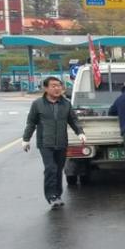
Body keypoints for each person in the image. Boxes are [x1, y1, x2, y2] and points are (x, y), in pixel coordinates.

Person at [22, 76, 87, 208]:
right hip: (45, 143)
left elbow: (73, 120)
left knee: (58, 170)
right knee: (50, 168)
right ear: (46, 88)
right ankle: (51, 195)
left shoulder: (66, 103)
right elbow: (31, 123)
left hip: (62, 142)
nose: (57, 88)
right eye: (53, 86)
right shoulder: (37, 104)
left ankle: (57, 194)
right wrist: (26, 139)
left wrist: (80, 132)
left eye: (59, 85)